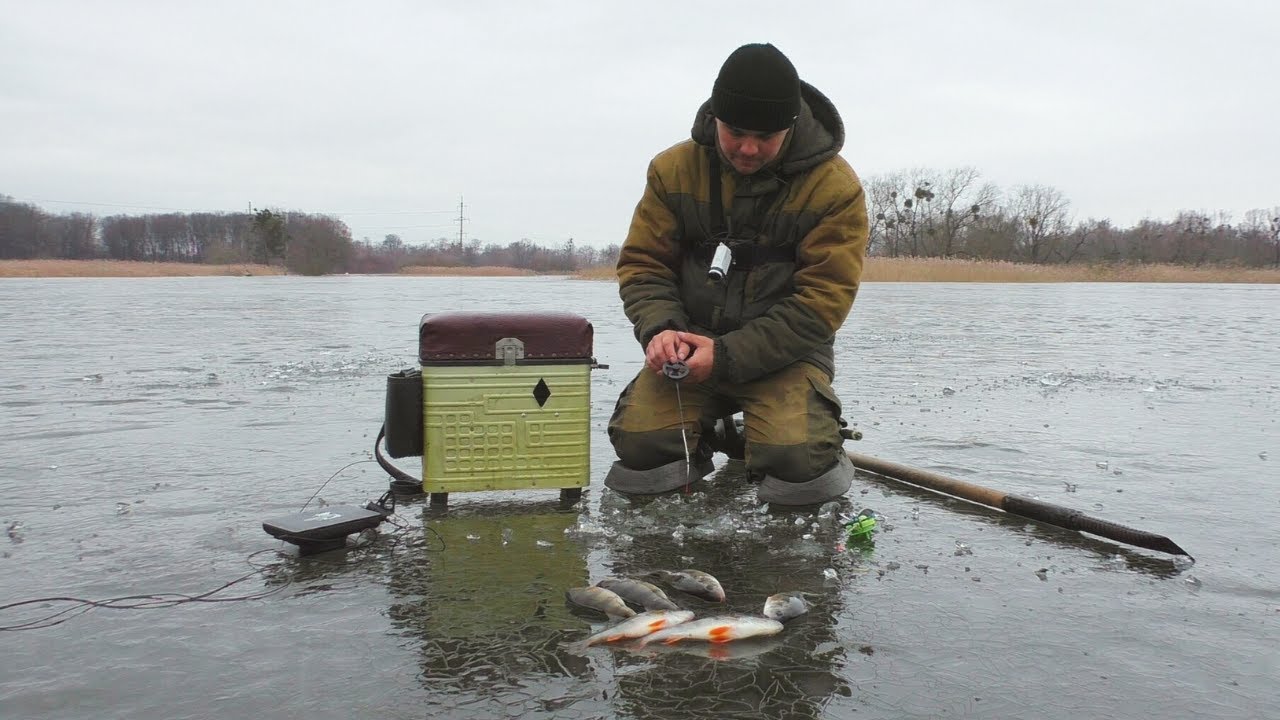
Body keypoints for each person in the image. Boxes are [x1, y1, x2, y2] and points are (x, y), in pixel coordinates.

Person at [604, 42, 869, 506]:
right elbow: (644, 266)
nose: (748, 148)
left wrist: (726, 356)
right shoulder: (672, 170)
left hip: (786, 356)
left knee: (798, 459)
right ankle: (709, 438)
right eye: (736, 132)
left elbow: (821, 304)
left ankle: (778, 441)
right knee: (640, 443)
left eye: (765, 136)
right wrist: (663, 329)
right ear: (715, 119)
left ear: (790, 126)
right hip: (688, 347)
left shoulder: (835, 189)